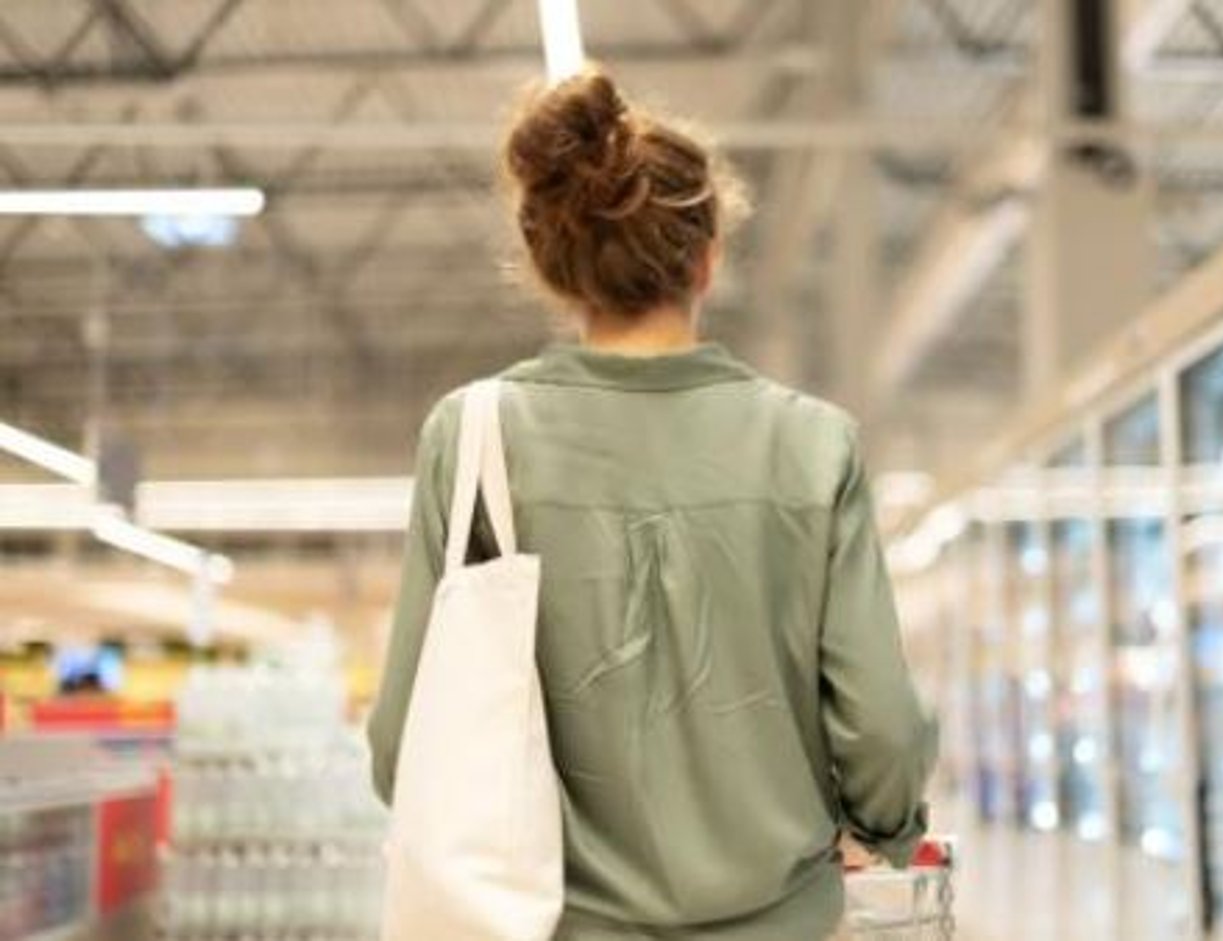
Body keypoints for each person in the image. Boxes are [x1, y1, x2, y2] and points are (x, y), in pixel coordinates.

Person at [367, 67, 937, 941]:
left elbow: (406, 740)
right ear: (707, 259)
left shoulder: (474, 439)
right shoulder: (811, 444)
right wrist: (884, 831)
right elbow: (884, 732)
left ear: (557, 264)